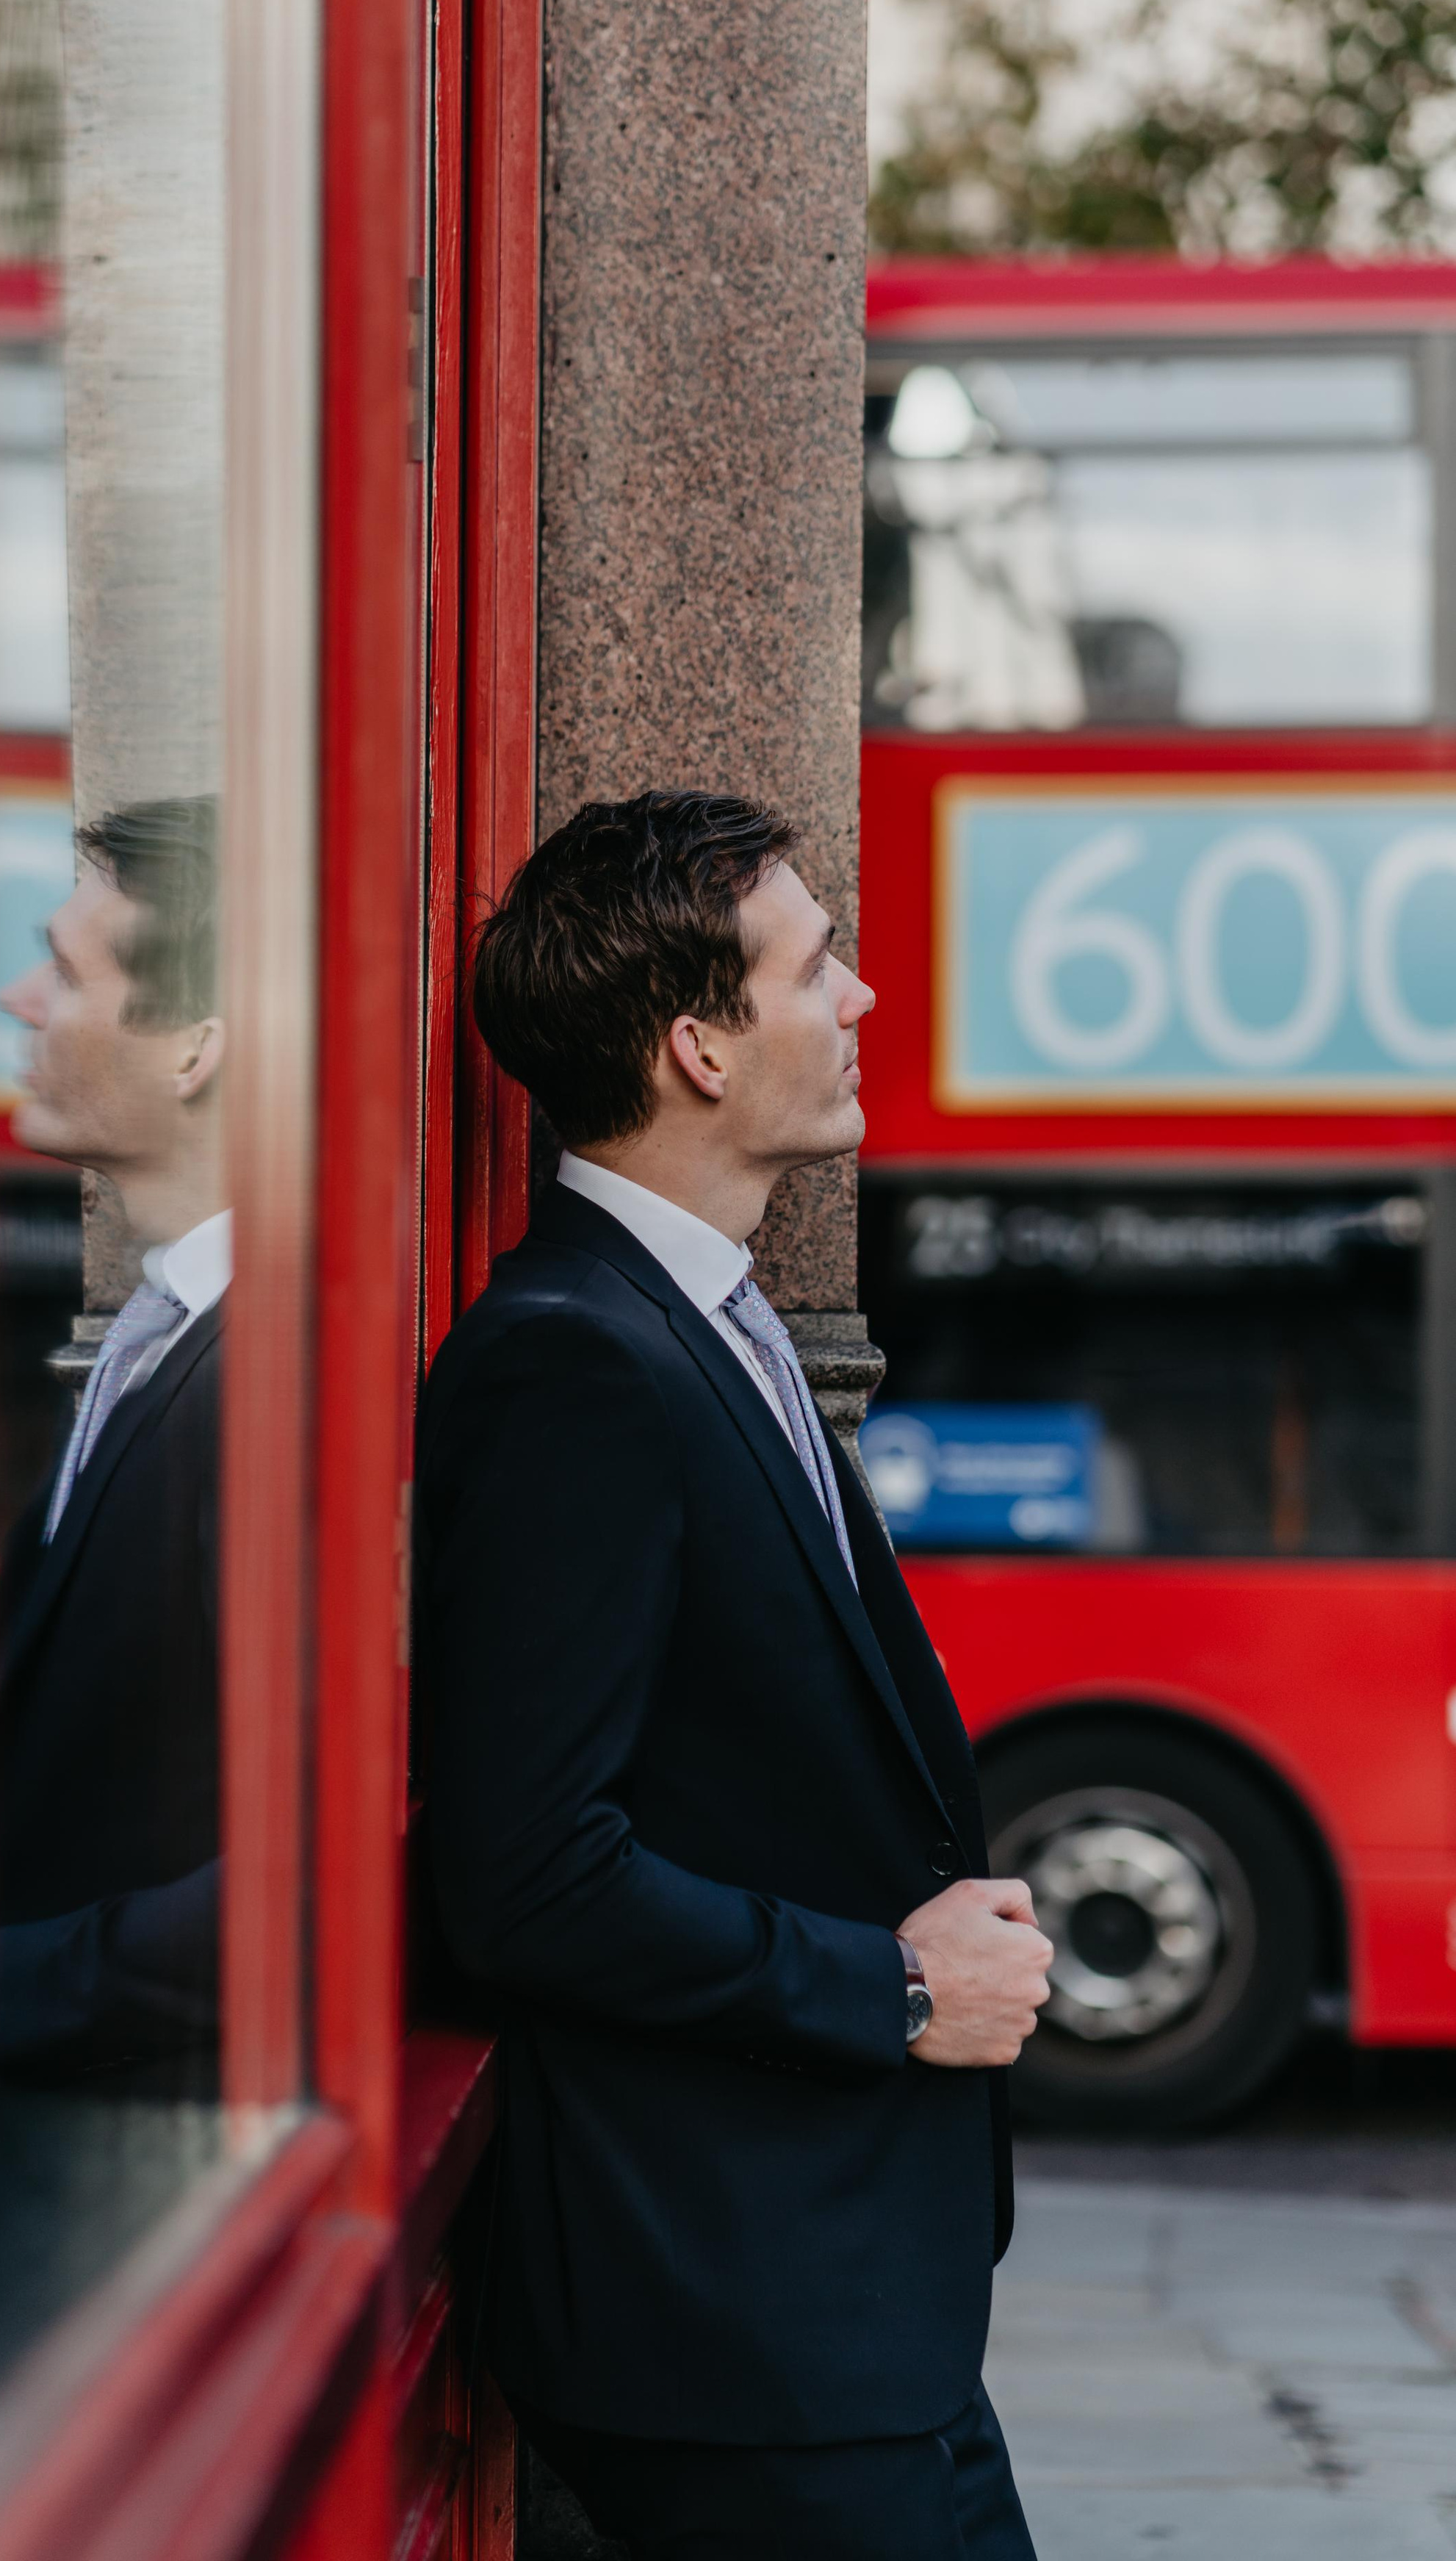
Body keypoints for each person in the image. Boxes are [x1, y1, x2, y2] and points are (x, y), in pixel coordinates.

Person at [417, 790, 1053, 2560]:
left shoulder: (698, 1323)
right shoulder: (573, 1366)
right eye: (814, 962)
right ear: (696, 1044)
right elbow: (524, 1874)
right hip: (732, 2314)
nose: (856, 998)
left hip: (837, 2297)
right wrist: (894, 1986)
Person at [0, 795, 227, 2415]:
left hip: (142, 2238)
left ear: (193, 1046)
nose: (20, 1001)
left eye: (62, 966)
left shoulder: (279, 1371)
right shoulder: (171, 1328)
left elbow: (360, 1851)